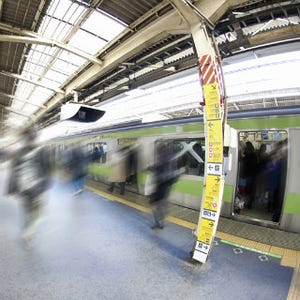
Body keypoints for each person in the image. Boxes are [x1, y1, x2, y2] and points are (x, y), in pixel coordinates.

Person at [7, 127, 52, 246]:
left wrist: (11, 190)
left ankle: (27, 231)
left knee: (27, 213)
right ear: (36, 137)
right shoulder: (44, 150)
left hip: (24, 189)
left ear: (25, 139)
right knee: (40, 213)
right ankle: (29, 232)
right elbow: (48, 170)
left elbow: (13, 172)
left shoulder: (19, 152)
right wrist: (46, 187)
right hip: (39, 189)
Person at [149, 143, 180, 229]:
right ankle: (161, 221)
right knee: (162, 204)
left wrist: (150, 168)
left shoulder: (163, 157)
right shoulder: (172, 157)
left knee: (155, 204)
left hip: (161, 184)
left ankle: (158, 222)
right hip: (167, 184)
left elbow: (158, 167)